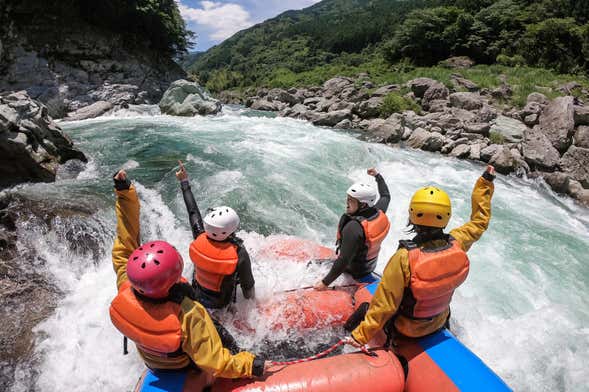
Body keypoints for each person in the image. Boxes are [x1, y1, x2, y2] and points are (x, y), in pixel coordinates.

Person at [108, 170, 265, 378]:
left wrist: (125, 192)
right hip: (182, 365)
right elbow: (214, 362)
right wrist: (249, 364)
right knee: (225, 339)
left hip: (152, 361)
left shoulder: (127, 284)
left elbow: (124, 246)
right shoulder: (188, 315)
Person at [344, 165, 496, 347]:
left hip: (407, 329)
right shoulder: (459, 242)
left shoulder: (404, 258)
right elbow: (479, 222)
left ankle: (343, 340)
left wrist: (359, 336)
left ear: (412, 216)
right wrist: (485, 183)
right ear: (446, 216)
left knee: (364, 310)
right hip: (439, 321)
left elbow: (383, 306)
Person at [176, 161, 256, 309]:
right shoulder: (238, 252)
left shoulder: (200, 235)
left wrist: (184, 182)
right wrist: (253, 308)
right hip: (222, 304)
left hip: (197, 294)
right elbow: (248, 286)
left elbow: (192, 212)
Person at [314, 167, 391, 290]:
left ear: (363, 204)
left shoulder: (354, 227)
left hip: (353, 271)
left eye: (351, 200)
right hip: (369, 268)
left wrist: (324, 283)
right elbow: (386, 196)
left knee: (311, 265)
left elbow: (343, 260)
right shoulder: (378, 212)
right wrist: (378, 176)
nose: (346, 203)